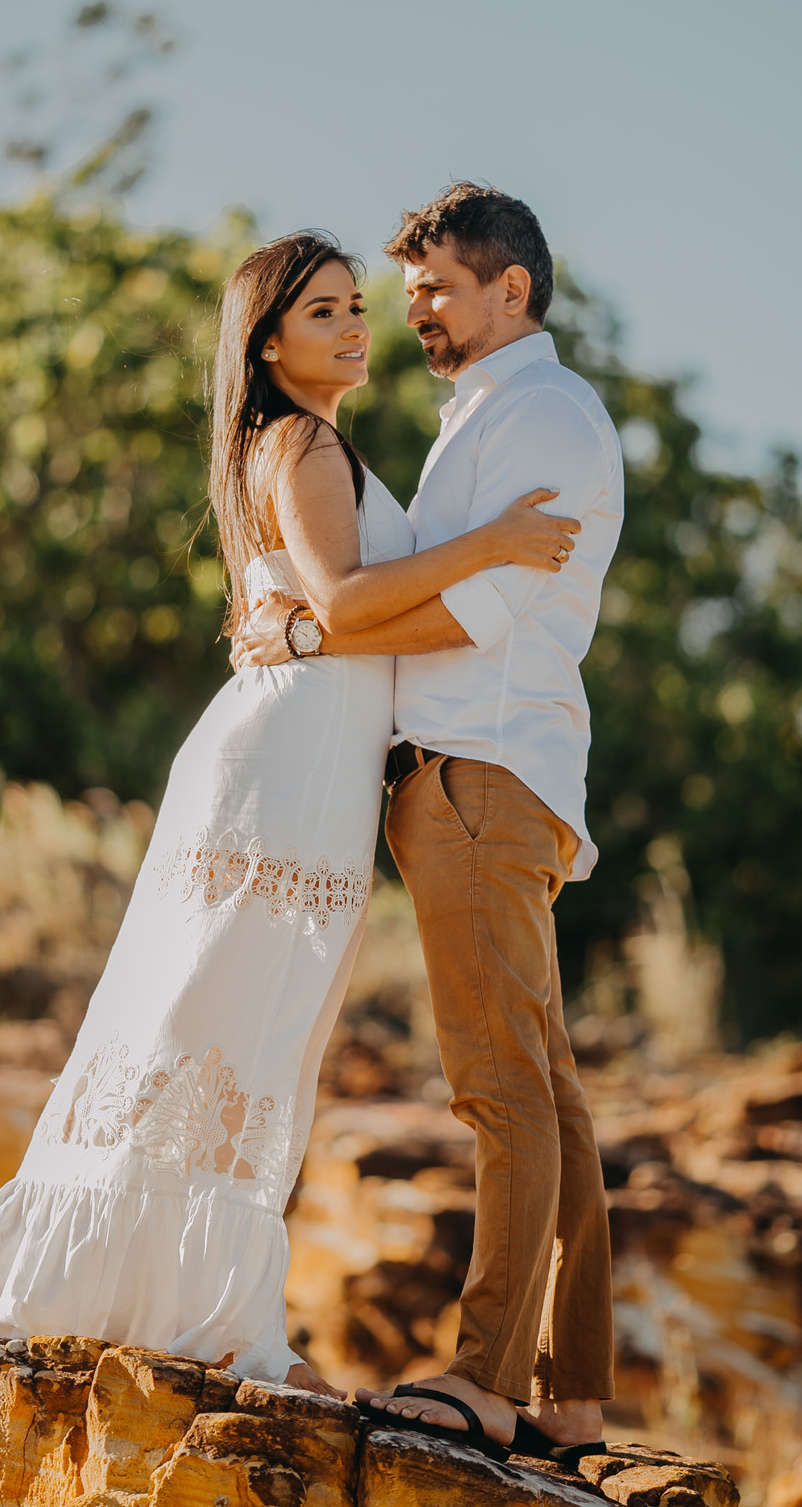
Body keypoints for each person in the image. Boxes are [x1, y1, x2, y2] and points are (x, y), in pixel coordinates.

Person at [0, 229, 579, 1395]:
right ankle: (177, 1313)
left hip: (315, 764)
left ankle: (203, 1308)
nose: (357, 326)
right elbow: (351, 596)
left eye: (356, 308)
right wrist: (501, 547)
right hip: (279, 770)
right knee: (216, 1016)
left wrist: (344, 625)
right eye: (324, 312)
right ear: (267, 342)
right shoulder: (304, 439)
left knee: (257, 1032)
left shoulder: (317, 446)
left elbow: (337, 620)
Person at [235, 184, 622, 1463]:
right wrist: (322, 623)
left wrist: (315, 625)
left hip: (479, 776)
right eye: (402, 300)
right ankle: (569, 1390)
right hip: (484, 776)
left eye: (436, 291)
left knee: (501, 1091)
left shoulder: (546, 418)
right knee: (550, 1099)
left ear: (513, 288)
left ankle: (486, 1380)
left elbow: (478, 614)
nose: (415, 317)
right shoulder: (486, 419)